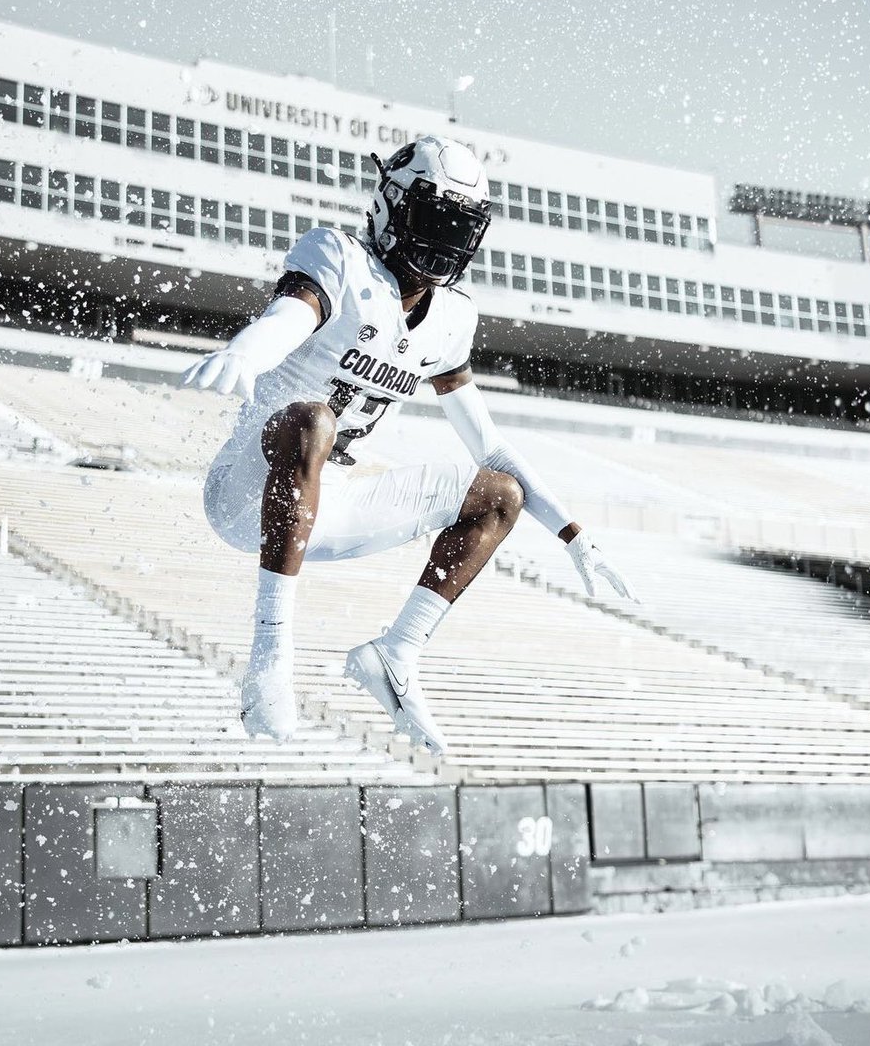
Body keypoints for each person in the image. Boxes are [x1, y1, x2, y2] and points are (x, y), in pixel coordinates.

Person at [182, 134, 636, 752]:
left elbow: (490, 446)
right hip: (247, 493)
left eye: (460, 228)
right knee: (313, 419)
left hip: (330, 506)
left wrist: (571, 534)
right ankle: (270, 657)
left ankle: (396, 654)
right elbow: (291, 315)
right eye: (436, 219)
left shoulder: (452, 316)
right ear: (391, 204)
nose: (445, 241)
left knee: (499, 495)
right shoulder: (338, 254)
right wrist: (248, 347)